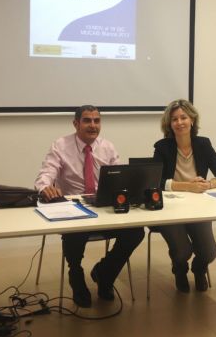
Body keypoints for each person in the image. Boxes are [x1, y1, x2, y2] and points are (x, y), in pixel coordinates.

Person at [35, 105, 144, 308]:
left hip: (103, 206)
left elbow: (120, 178)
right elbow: (47, 172)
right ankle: (76, 274)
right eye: (87, 120)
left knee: (135, 232)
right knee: (75, 232)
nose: (93, 125)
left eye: (97, 121)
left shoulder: (107, 147)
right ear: (76, 124)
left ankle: (105, 273)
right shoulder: (60, 145)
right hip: (74, 208)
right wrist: (45, 187)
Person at [152, 99, 216, 293]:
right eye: (174, 119)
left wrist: (208, 184)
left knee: (209, 252)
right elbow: (155, 182)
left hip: (198, 208)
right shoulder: (162, 147)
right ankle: (179, 269)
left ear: (192, 120)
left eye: (183, 117)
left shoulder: (203, 144)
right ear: (169, 124)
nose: (179, 122)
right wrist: (187, 186)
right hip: (170, 209)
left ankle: (198, 269)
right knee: (183, 251)